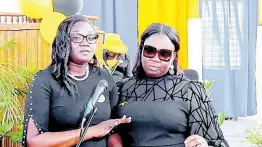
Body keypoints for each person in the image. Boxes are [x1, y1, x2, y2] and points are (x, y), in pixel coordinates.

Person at [109, 23, 229, 147]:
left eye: (164, 54)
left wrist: (203, 144)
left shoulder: (191, 90)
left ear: (173, 56)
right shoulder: (123, 88)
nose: (155, 58)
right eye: (149, 50)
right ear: (141, 49)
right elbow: (110, 132)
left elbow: (217, 142)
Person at [21, 15, 131, 147]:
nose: (85, 43)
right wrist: (91, 131)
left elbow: (112, 128)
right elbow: (34, 141)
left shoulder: (103, 77)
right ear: (63, 42)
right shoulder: (45, 80)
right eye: (77, 37)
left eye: (91, 37)